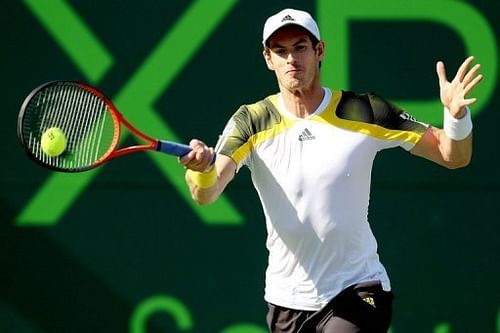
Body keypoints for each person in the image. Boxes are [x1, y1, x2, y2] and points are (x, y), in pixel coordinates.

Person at [179, 8, 482, 333]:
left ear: (319, 50)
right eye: (280, 52)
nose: (291, 59)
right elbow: (206, 192)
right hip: (287, 300)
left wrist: (456, 117)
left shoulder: (364, 110)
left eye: (300, 47)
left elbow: (453, 155)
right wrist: (201, 170)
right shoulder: (251, 120)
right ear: (268, 59)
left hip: (358, 289)